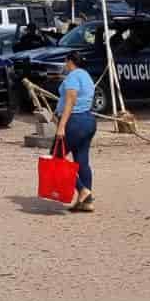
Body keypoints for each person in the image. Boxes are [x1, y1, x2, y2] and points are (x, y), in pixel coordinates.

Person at [55, 51, 96, 212]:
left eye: (65, 62)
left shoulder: (72, 76)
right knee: (82, 162)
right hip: (88, 120)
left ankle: (82, 190)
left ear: (69, 61)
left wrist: (61, 126)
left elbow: (71, 100)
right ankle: (87, 202)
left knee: (57, 159)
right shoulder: (86, 76)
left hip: (75, 121)